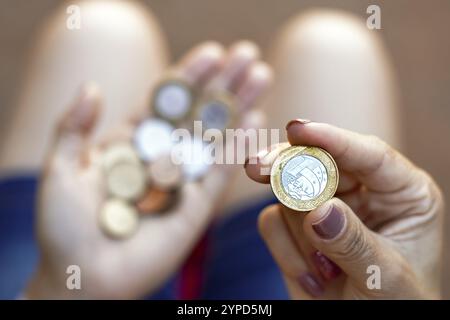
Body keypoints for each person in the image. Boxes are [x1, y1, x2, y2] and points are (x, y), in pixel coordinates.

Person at [0, 0, 443, 299]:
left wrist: (61, 286)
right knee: (334, 47)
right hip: (300, 281)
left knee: (100, 28)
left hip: (69, 274)